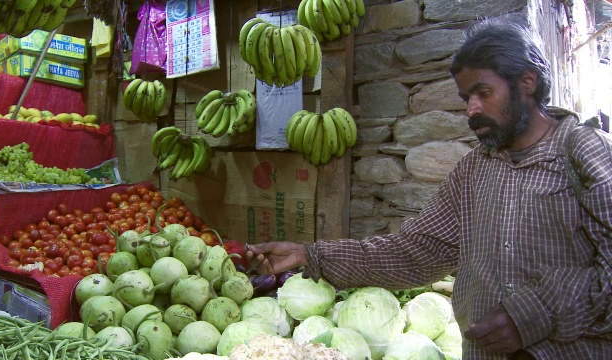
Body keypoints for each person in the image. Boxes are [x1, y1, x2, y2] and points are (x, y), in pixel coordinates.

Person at [247, 21, 612, 360]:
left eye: (483, 92)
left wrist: (534, 313)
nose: (472, 109)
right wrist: (312, 256)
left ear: (527, 82)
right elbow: (416, 252)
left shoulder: (584, 153)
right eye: (466, 97)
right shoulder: (474, 169)